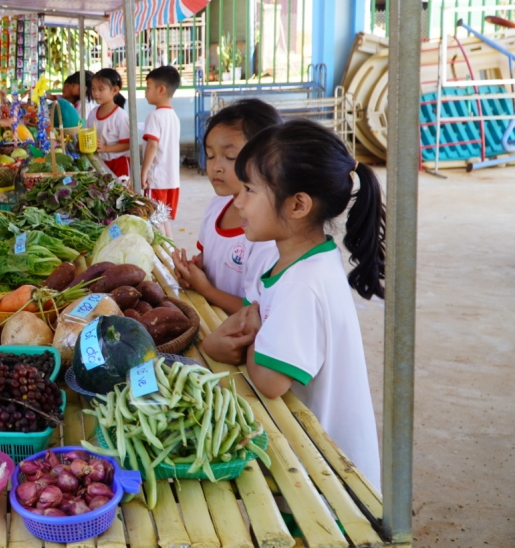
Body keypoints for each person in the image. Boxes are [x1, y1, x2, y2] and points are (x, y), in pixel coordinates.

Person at [201, 119, 384, 486]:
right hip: (305, 452)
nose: (238, 200)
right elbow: (250, 317)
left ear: (298, 204)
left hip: (332, 479)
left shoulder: (304, 283)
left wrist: (245, 337)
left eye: (249, 189)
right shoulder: (285, 258)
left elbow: (269, 380)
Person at [171, 99, 282, 314]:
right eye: (210, 156)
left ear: (268, 158)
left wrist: (205, 289)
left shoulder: (267, 235)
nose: (215, 167)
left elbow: (258, 311)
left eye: (230, 157)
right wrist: (194, 270)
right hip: (211, 322)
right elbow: (210, 259)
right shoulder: (216, 206)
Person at [139, 66, 182, 222]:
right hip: (172, 181)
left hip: (156, 180)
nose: (145, 91)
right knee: (163, 221)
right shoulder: (174, 117)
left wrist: (143, 172)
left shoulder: (154, 116)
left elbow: (152, 145)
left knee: (154, 221)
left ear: (161, 89)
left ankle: (167, 247)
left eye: (148, 87)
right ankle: (171, 247)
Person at [86, 68, 130, 179]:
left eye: (101, 89)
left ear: (115, 90)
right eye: (93, 89)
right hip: (99, 163)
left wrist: (105, 148)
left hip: (119, 165)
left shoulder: (120, 116)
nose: (96, 93)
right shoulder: (93, 113)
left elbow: (128, 144)